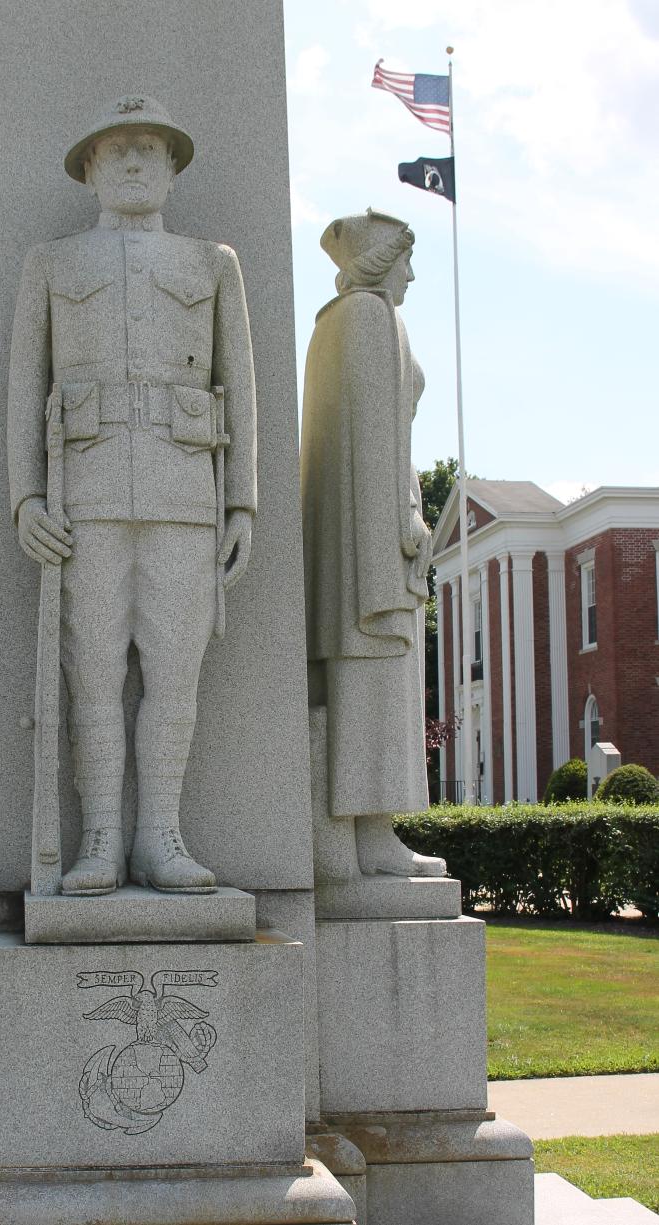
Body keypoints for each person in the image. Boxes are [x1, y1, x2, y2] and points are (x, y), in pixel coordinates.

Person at [8, 96, 257, 895]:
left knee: (175, 677)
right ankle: (103, 838)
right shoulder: (51, 263)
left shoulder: (212, 263)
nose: (138, 162)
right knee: (92, 673)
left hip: (186, 495)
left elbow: (240, 386)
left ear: (176, 167)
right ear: (89, 170)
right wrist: (26, 497)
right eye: (119, 151)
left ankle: (161, 835)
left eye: (152, 149)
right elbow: (24, 387)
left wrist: (243, 501)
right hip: (84, 501)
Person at [301, 208, 445, 880]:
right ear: (384, 261)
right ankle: (371, 833)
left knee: (370, 685)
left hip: (352, 540)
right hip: (375, 541)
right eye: (406, 260)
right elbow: (380, 440)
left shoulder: (333, 325)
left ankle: (368, 832)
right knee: (377, 683)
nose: (412, 274)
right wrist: (403, 521)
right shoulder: (370, 319)